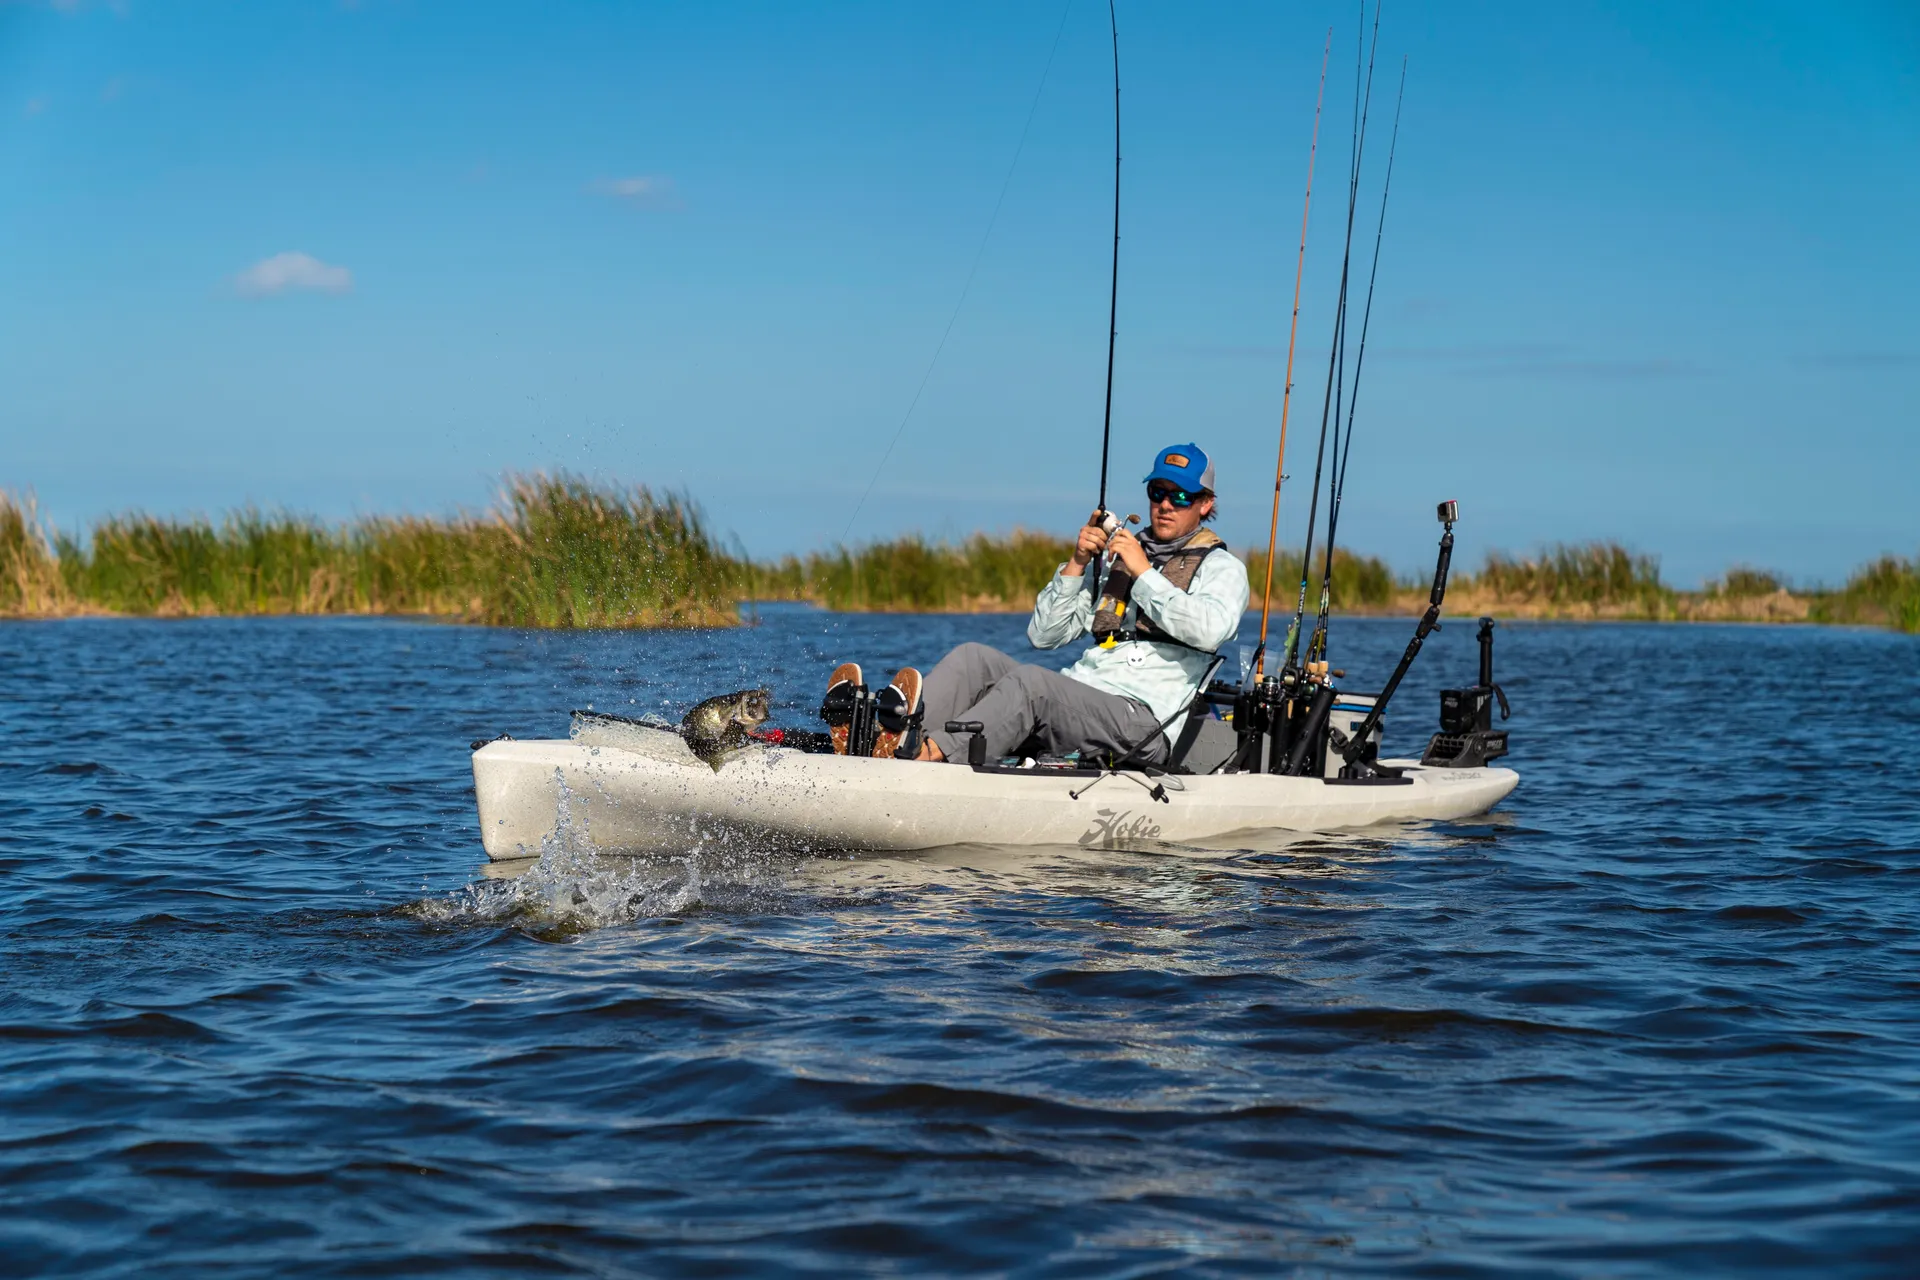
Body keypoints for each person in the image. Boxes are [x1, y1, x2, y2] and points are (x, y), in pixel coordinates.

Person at [823, 443, 1249, 767]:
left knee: (1031, 685)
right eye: (1159, 492)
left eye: (1180, 497)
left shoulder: (1222, 568)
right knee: (974, 658)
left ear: (1205, 504)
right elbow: (1044, 636)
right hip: (1081, 695)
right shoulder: (1121, 559)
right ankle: (890, 739)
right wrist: (1077, 564)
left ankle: (924, 758)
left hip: (1144, 720)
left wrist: (1145, 574)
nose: (1164, 505)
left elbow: (1209, 630)